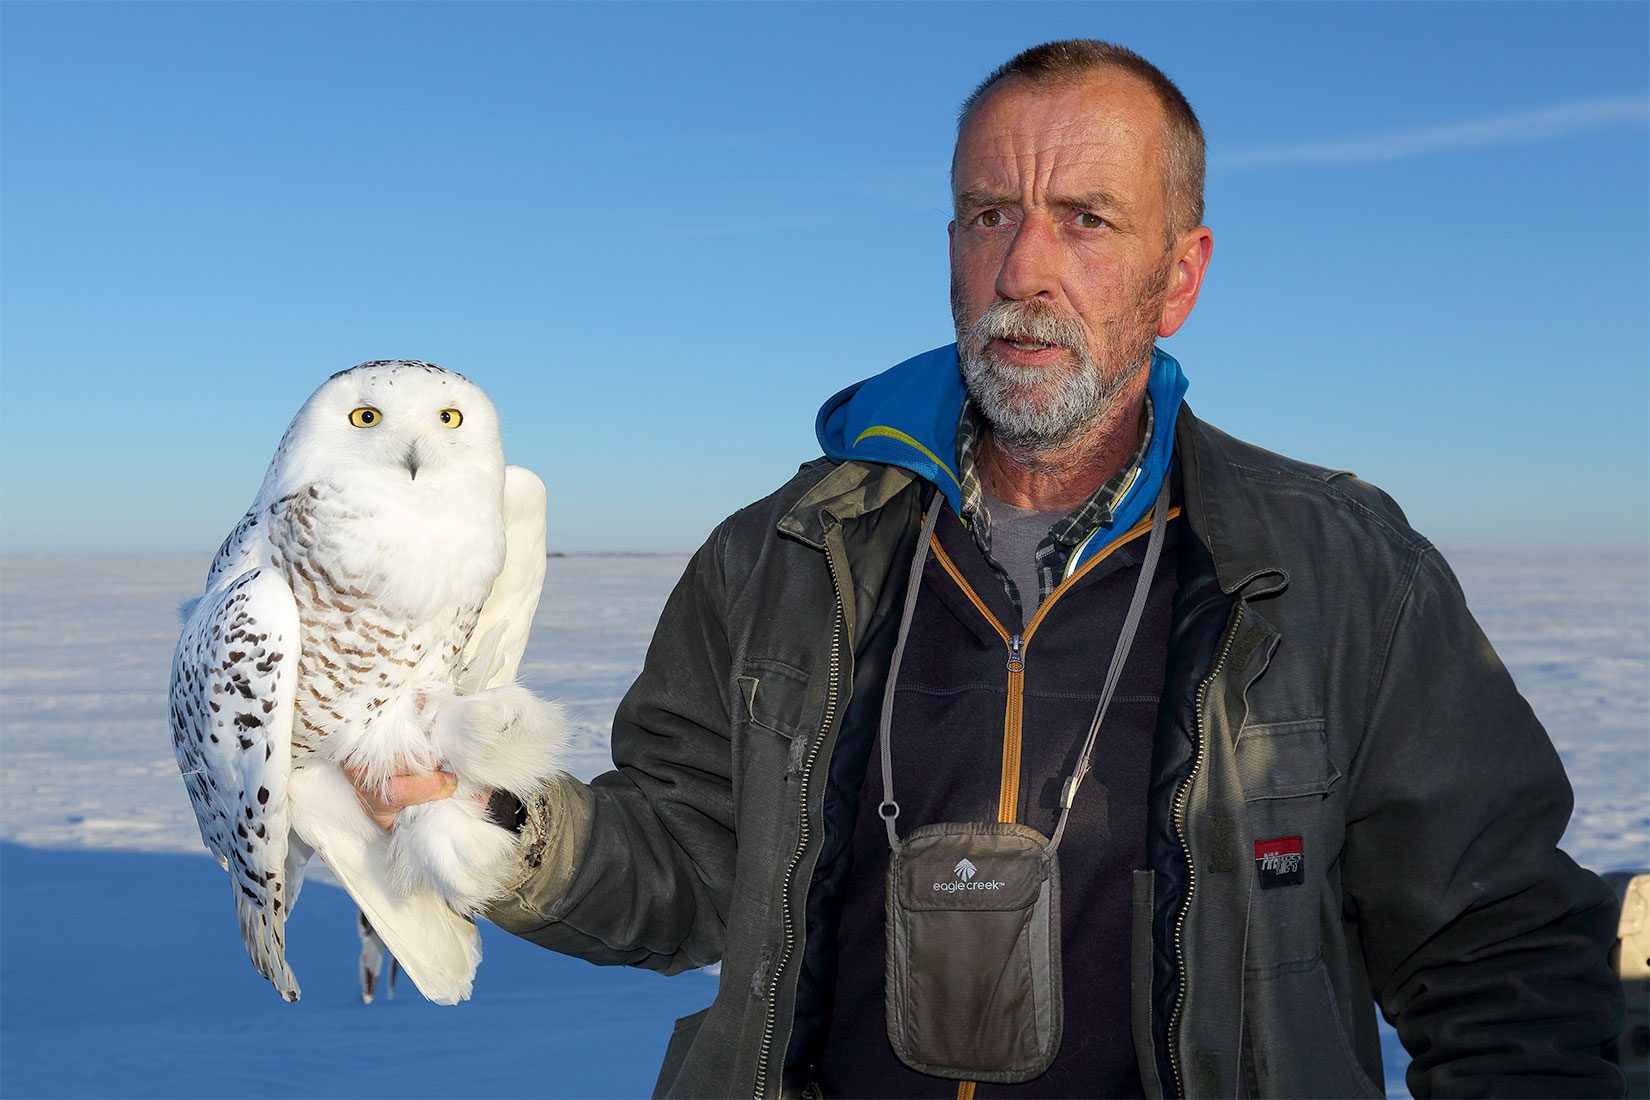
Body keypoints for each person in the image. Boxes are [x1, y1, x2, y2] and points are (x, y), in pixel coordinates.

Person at [360, 40, 1625, 1098]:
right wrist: (492, 822)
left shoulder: (1340, 573)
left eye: (1087, 219)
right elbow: (690, 866)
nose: (1023, 269)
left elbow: (1494, 945)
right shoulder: (780, 556)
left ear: (1179, 276)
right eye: (989, 215)